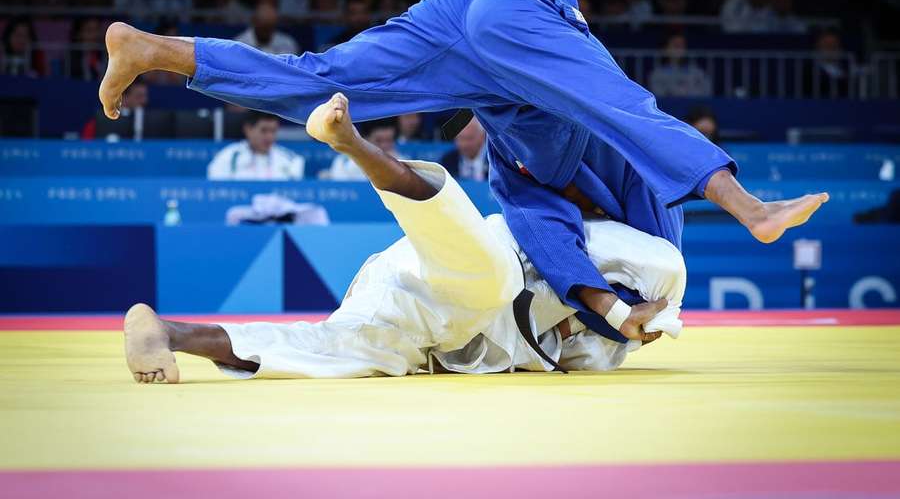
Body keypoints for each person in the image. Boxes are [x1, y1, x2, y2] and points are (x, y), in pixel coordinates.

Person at [98, 0, 828, 344]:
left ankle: (152, 50)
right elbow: (632, 121)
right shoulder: (628, 182)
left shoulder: (518, 169)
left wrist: (608, 308)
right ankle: (748, 203)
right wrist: (720, 218)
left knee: (315, 81)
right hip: (512, 14)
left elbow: (548, 234)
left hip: (457, 29)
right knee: (619, 107)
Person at [123, 94, 681, 383]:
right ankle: (356, 146)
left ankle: (169, 333)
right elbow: (547, 242)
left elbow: (596, 333)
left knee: (327, 352)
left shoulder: (641, 237)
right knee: (488, 274)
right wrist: (607, 306)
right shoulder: (555, 220)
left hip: (437, 339)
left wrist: (618, 315)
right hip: (456, 279)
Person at [207, 111, 304, 181]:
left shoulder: (292, 159)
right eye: (264, 130)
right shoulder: (228, 156)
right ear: (248, 129)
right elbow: (216, 187)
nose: (269, 137)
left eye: (273, 131)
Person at [325, 117, 399, 181]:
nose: (384, 146)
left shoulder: (403, 163)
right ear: (365, 139)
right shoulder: (343, 163)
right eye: (379, 141)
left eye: (389, 140)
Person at [648, 33, 712, 97]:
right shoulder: (657, 73)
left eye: (681, 45)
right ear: (666, 48)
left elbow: (706, 90)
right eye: (675, 45)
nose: (679, 48)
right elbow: (657, 94)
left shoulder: (696, 71)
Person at [81, 78, 147, 140]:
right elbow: (85, 146)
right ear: (123, 97)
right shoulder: (98, 122)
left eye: (145, 96)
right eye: (139, 96)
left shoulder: (149, 123)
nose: (144, 101)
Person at [233, 2, 298, 55]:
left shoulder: (287, 43)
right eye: (264, 28)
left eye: (270, 28)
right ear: (254, 22)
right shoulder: (239, 44)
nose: (267, 33)